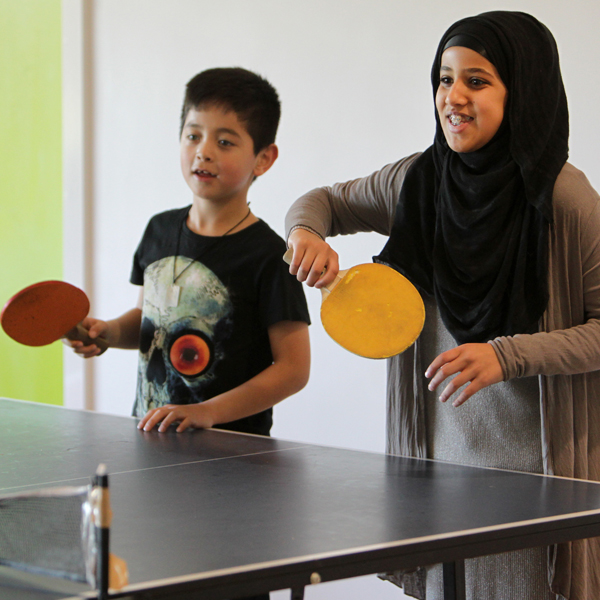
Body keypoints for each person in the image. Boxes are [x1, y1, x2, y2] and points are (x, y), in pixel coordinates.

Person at [285, 11, 600, 600]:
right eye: (443, 78)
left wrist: (508, 356)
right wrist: (305, 232)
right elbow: (321, 201)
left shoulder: (566, 198)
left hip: (536, 480)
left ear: (523, 89)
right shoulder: (417, 182)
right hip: (440, 473)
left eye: (476, 81)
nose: (451, 97)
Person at [68, 67, 311, 444]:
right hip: (152, 436)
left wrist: (208, 412)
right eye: (193, 135)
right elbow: (150, 317)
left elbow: (294, 369)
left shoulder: (271, 255)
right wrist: (109, 333)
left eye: (225, 142)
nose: (203, 151)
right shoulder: (158, 230)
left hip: (231, 452)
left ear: (263, 158)